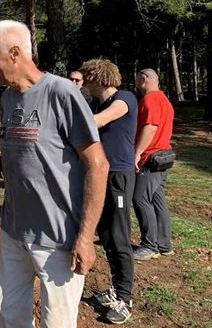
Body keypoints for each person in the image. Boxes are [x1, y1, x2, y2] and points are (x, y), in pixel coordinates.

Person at [0, 20, 109, 328]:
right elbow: (21, 151)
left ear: (14, 53)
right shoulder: (9, 98)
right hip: (15, 229)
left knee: (56, 322)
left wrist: (86, 237)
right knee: (5, 316)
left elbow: (97, 164)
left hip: (57, 237)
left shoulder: (61, 92)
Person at [80, 59, 137, 324]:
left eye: (87, 80)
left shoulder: (124, 98)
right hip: (98, 175)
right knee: (105, 234)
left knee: (119, 236)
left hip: (118, 177)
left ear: (97, 79)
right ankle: (115, 289)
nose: (85, 85)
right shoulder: (94, 103)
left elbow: (102, 120)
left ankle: (124, 298)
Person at [132, 68, 175, 261]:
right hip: (164, 157)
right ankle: (165, 244)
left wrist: (137, 153)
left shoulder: (150, 100)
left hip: (151, 158)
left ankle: (150, 245)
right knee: (157, 200)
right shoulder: (165, 100)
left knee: (139, 198)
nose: (136, 84)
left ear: (144, 79)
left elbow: (150, 127)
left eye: (136, 79)